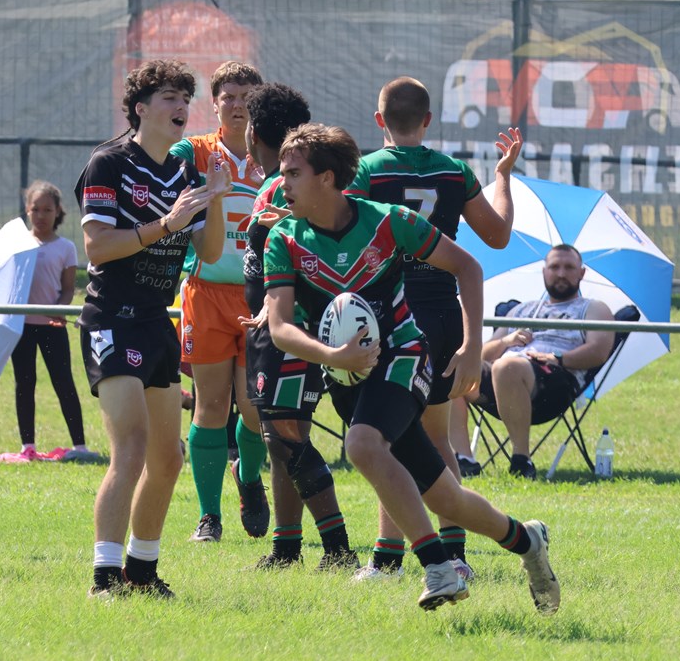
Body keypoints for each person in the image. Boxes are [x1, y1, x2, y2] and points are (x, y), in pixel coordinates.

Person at [263, 124, 560, 613]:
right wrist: (333, 357)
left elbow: (468, 267)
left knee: (362, 444)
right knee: (446, 498)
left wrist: (470, 347)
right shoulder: (284, 238)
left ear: (328, 178)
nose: (282, 183)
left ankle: (438, 567)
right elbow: (279, 328)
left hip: (404, 356)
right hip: (343, 373)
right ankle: (527, 542)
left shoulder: (390, 221)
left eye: (293, 173)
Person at [346, 76, 521, 580]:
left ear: (379, 121)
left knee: (387, 438)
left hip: (399, 319)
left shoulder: (366, 171)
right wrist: (503, 177)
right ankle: (455, 552)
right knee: (435, 438)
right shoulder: (455, 171)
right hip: (446, 315)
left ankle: (387, 557)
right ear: (428, 120)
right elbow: (498, 235)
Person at [75, 59, 230, 599]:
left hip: (156, 322)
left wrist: (214, 201)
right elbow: (98, 247)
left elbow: (208, 255)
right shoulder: (108, 164)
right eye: (168, 97)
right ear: (140, 108)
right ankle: (103, 577)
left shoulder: (185, 173)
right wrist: (166, 223)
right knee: (133, 447)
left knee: (169, 457)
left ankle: (141, 572)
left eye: (186, 97)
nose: (181, 106)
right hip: (111, 318)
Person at [240, 83, 357, 571]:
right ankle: (287, 547)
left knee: (285, 436)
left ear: (253, 131)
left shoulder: (280, 190)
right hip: (290, 325)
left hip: (289, 326)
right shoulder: (283, 184)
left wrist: (272, 307)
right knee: (280, 436)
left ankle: (337, 549)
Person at [169, 60, 268, 543]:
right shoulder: (194, 152)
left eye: (247, 97)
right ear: (215, 103)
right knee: (210, 406)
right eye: (228, 96)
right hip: (205, 293)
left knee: (252, 409)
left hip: (257, 296)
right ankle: (209, 517)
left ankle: (248, 480)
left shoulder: (271, 156)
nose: (237, 105)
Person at [450, 244, 614, 479]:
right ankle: (464, 459)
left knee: (508, 366)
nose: (560, 273)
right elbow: (484, 356)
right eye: (554, 267)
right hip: (502, 378)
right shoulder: (521, 310)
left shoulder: (594, 308)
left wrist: (557, 358)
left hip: (555, 382)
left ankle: (521, 461)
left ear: (582, 273)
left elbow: (598, 351)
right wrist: (506, 341)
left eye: (569, 267)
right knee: (452, 366)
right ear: (544, 271)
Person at [0, 180, 98, 463]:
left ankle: (79, 445)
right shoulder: (16, 245)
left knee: (63, 382)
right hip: (21, 327)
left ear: (57, 212)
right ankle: (27, 446)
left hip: (52, 327)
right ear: (27, 211)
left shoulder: (65, 247)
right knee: (24, 383)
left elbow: (67, 289)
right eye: (35, 209)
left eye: (47, 210)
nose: (41, 215)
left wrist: (60, 310)